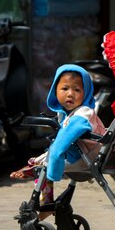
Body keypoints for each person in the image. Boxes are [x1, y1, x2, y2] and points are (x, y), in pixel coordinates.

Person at [10, 64, 105, 219]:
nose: (70, 94)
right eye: (65, 88)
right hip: (83, 153)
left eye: (77, 90)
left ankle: (45, 204)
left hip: (87, 158)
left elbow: (61, 145)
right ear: (55, 91)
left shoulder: (82, 114)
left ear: (86, 93)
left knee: (44, 168)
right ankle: (32, 166)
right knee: (46, 157)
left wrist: (52, 169)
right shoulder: (68, 115)